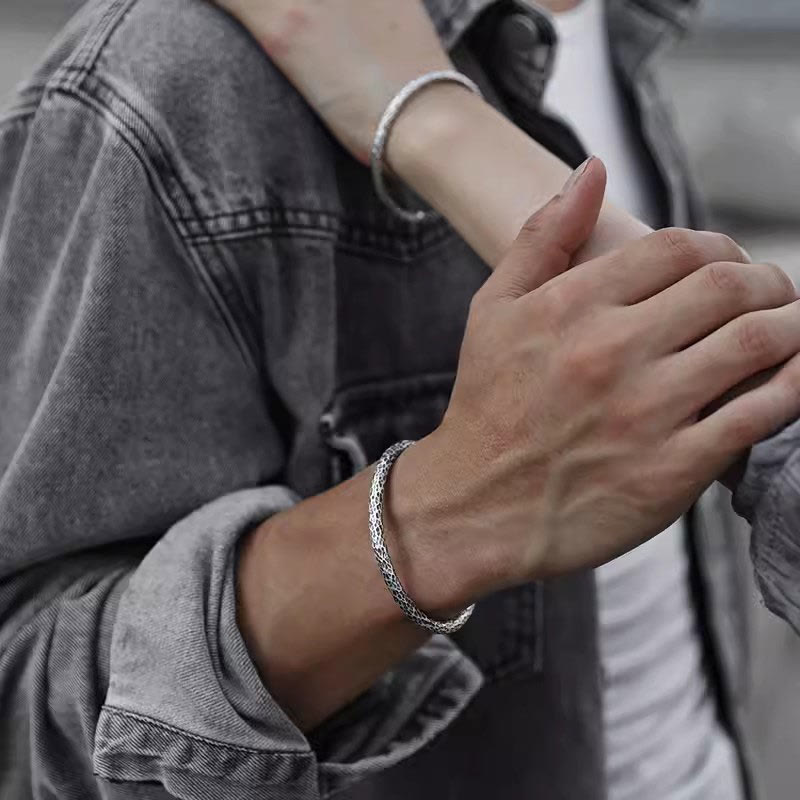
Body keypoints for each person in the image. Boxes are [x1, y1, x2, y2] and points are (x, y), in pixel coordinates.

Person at [1, 1, 799, 799]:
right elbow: (32, 721)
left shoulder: (611, 24)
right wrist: (446, 511)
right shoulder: (173, 70)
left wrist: (437, 126)